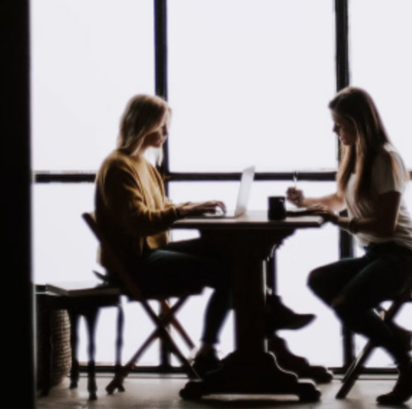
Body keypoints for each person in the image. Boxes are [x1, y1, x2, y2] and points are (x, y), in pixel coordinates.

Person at [95, 94, 312, 376]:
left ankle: (266, 317)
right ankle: (242, 334)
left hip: (148, 254)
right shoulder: (118, 166)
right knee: (231, 271)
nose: (166, 133)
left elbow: (159, 210)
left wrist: (190, 207)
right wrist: (185, 211)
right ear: (143, 125)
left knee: (232, 252)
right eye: (161, 126)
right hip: (133, 265)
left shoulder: (143, 165)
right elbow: (139, 223)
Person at [285, 86, 412, 405]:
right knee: (319, 279)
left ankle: (407, 367)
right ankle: (399, 339)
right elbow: (340, 200)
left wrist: (338, 221)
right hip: (376, 253)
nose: (334, 130)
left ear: (358, 123)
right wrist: (305, 202)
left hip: (400, 255)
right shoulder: (357, 157)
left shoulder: (385, 159)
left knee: (346, 305)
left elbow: (386, 224)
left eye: (339, 123)